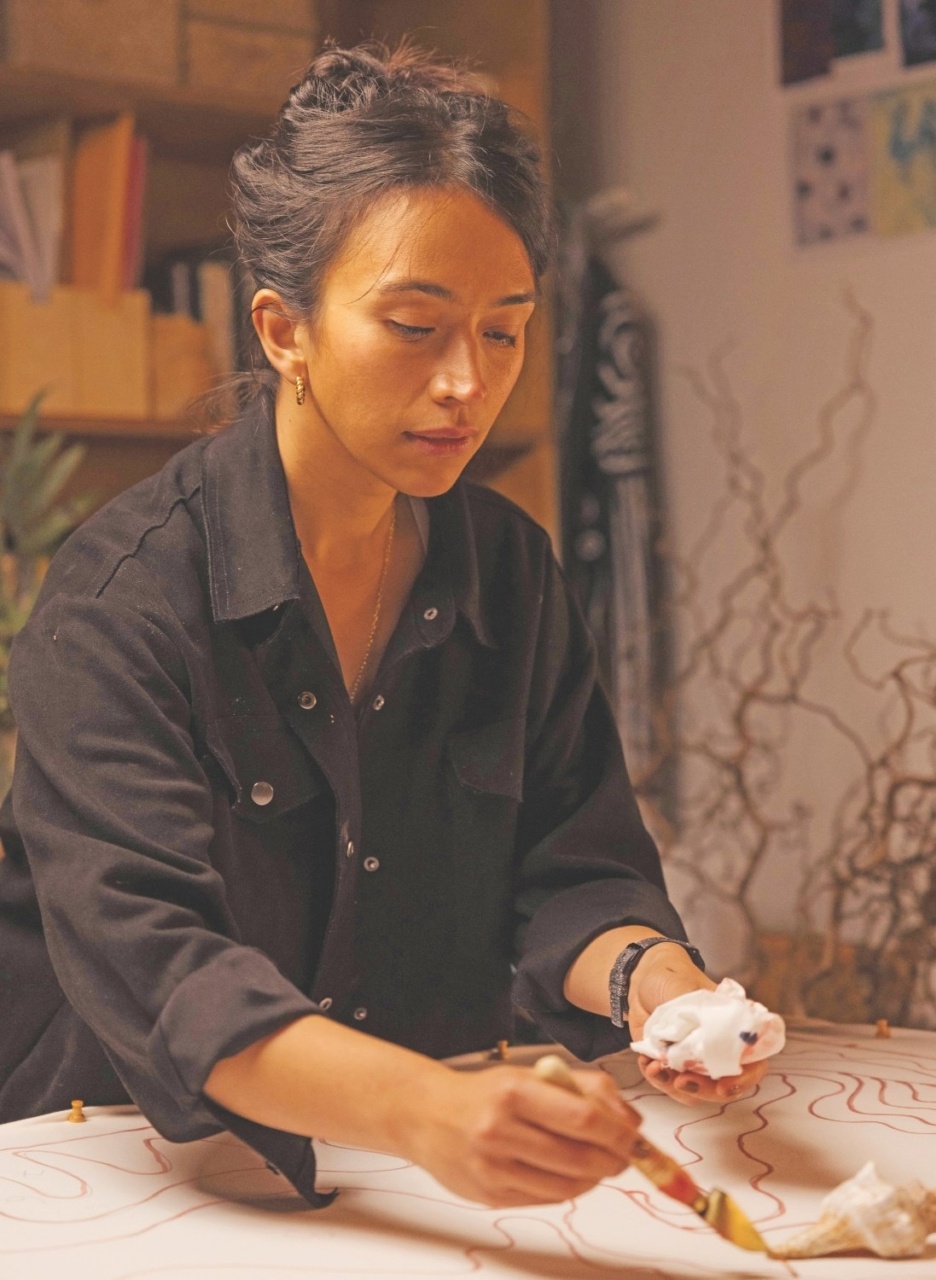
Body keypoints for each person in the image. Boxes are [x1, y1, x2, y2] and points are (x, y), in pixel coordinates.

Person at [0, 43, 765, 1210]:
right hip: (116, 1166)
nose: (467, 381)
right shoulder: (122, 599)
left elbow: (574, 868)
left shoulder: (507, 570)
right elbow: (163, 966)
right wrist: (421, 1107)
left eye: (503, 331)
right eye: (414, 326)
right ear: (283, 329)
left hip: (397, 1174)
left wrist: (662, 988)